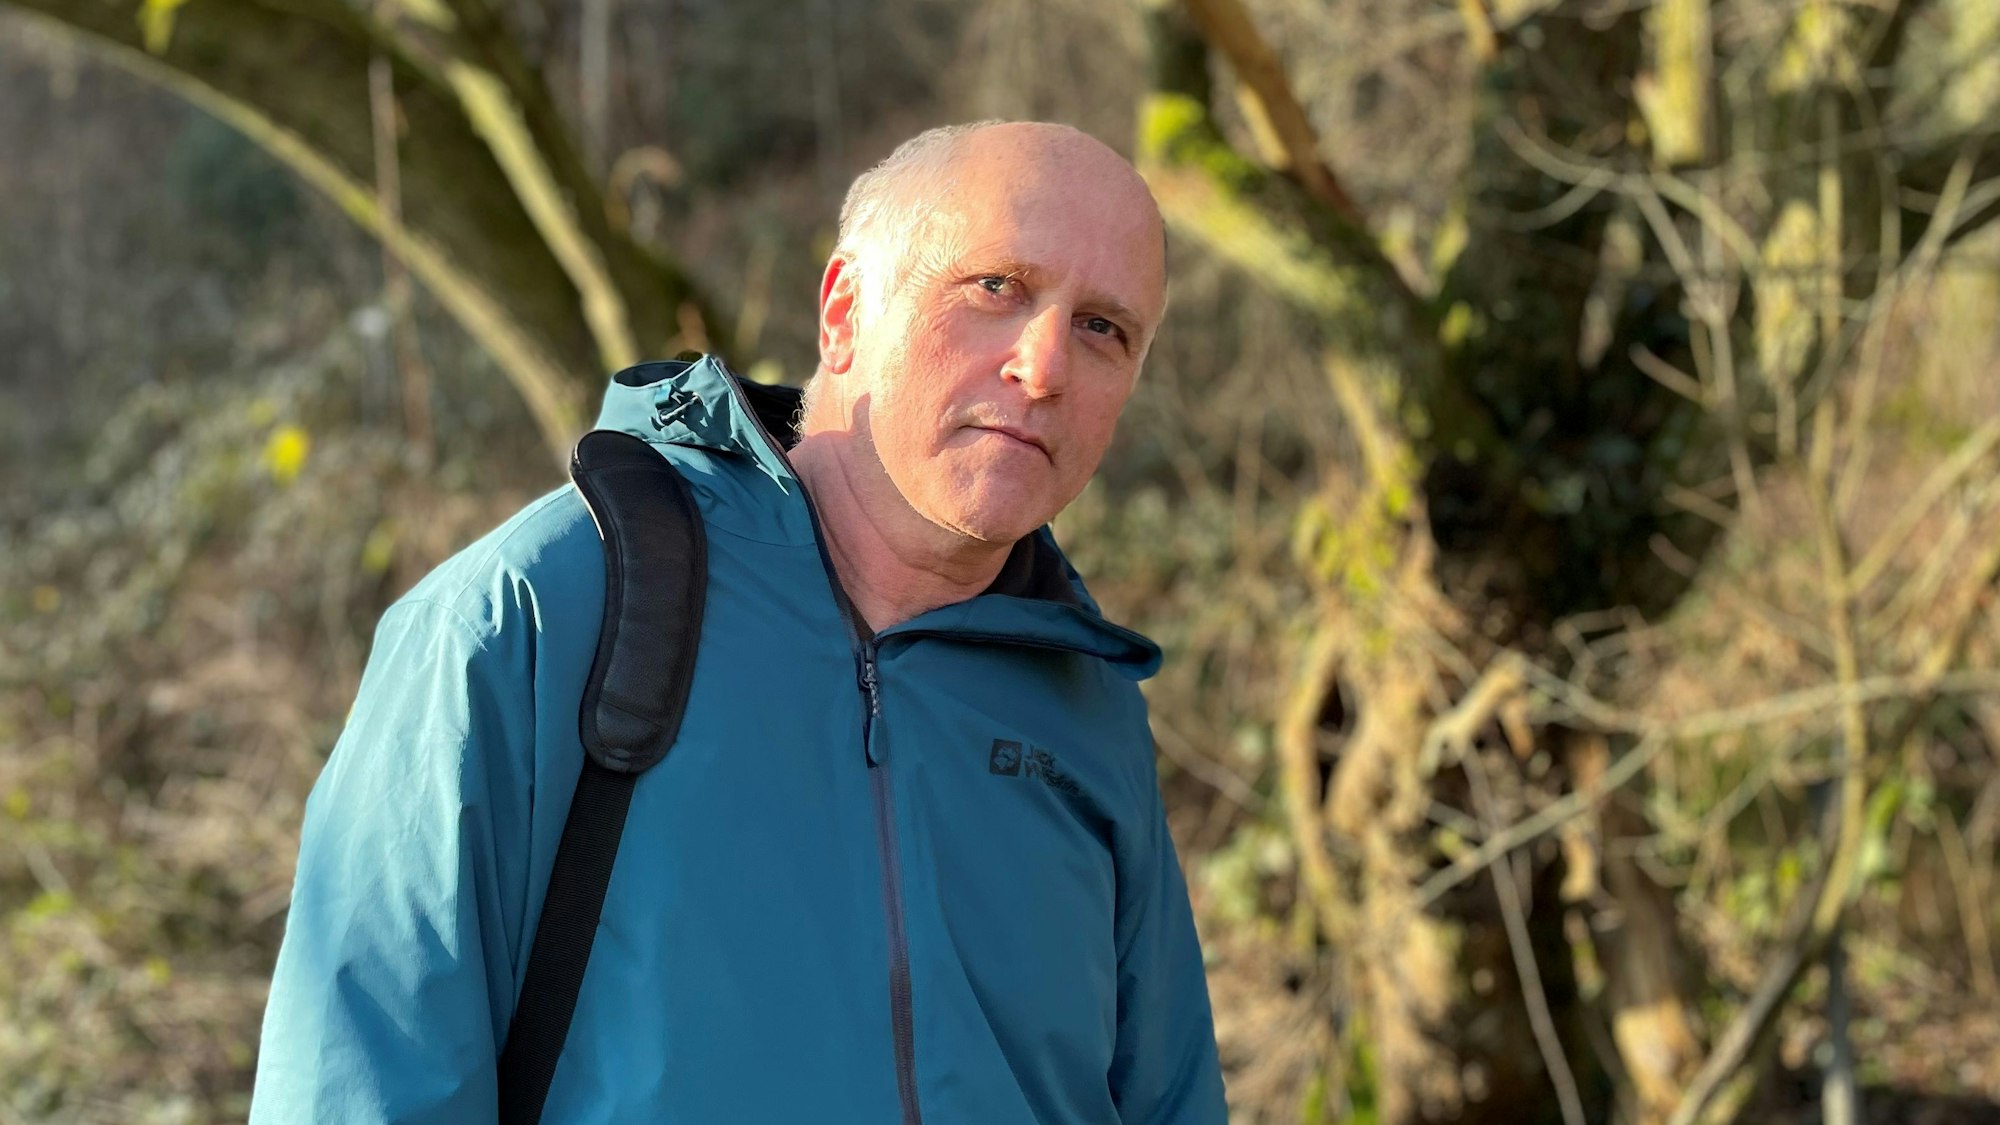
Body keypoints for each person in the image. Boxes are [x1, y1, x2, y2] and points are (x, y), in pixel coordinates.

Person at [251, 120, 1227, 1124]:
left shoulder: (1086, 705)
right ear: (846, 312)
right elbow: (358, 1089)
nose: (1043, 366)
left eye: (1103, 328)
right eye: (995, 289)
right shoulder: (532, 619)